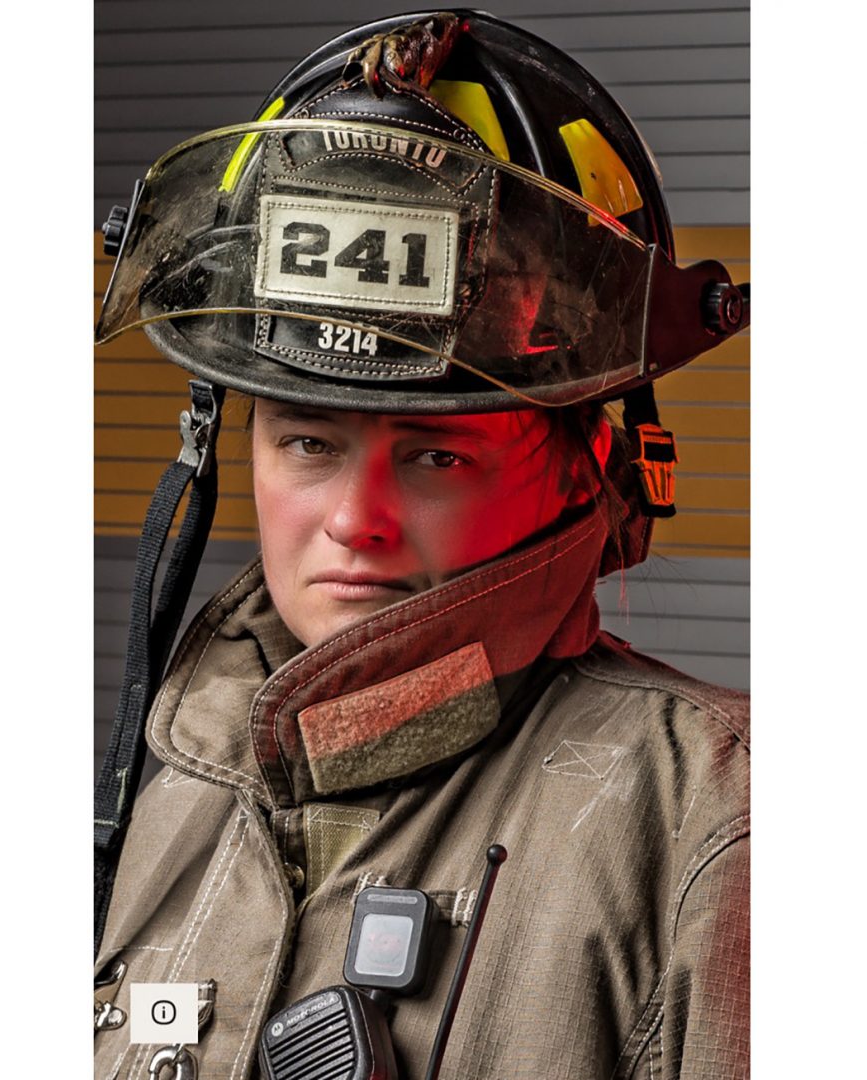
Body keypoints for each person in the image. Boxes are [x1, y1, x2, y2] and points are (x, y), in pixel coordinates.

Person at [93, 11, 750, 1079]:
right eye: (308, 440)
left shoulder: (719, 823)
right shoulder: (178, 773)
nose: (356, 519)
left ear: (590, 454)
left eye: (437, 456)